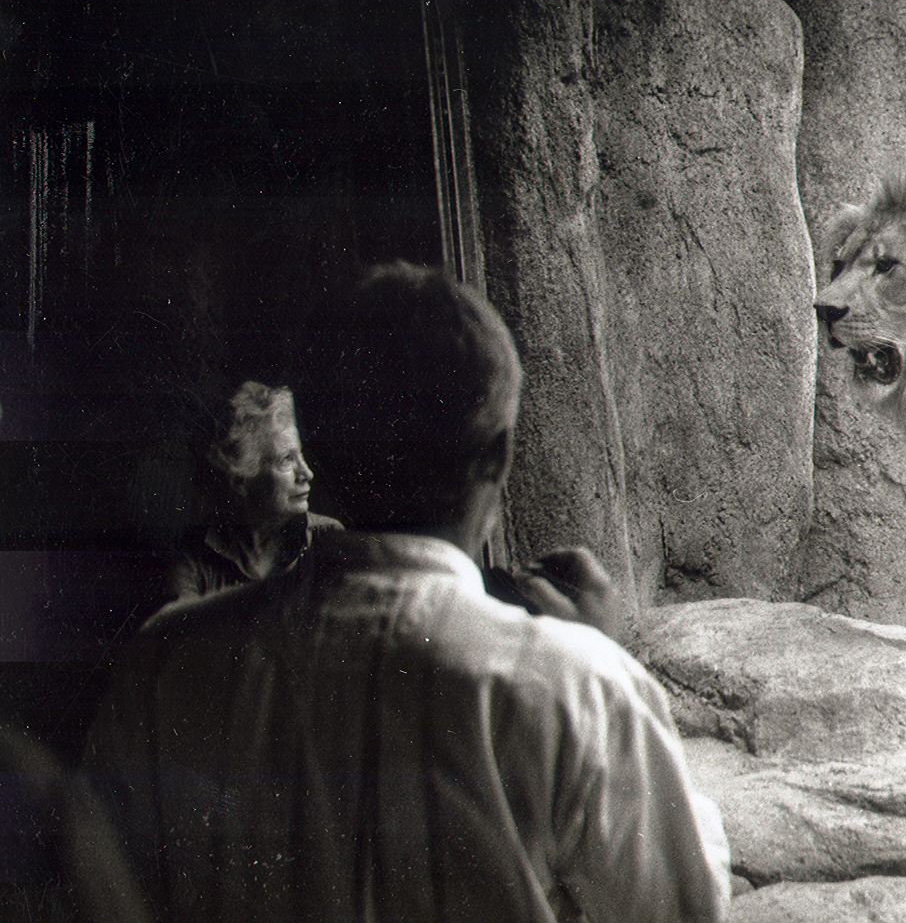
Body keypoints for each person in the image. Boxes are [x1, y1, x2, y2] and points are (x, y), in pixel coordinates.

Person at [81, 263, 730, 923]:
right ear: (497, 456)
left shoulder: (161, 662)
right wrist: (603, 654)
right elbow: (684, 908)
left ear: (320, 453)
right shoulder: (577, 686)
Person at [163, 381, 342, 604]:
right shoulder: (192, 563)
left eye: (300, 455)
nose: (307, 473)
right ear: (240, 481)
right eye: (286, 460)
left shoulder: (329, 538)